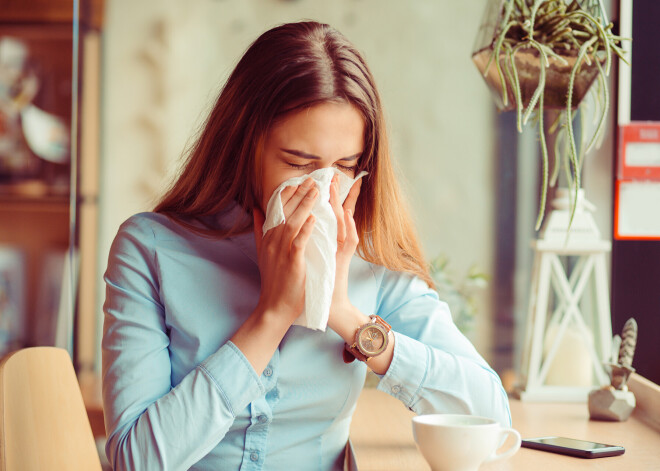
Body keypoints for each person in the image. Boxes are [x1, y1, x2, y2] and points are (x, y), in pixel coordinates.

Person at [102, 20, 511, 471]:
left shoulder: (371, 262)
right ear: (244, 146)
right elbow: (135, 461)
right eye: (299, 163)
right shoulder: (151, 249)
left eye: (345, 165)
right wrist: (270, 317)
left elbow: (491, 414)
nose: (321, 188)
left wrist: (342, 312)